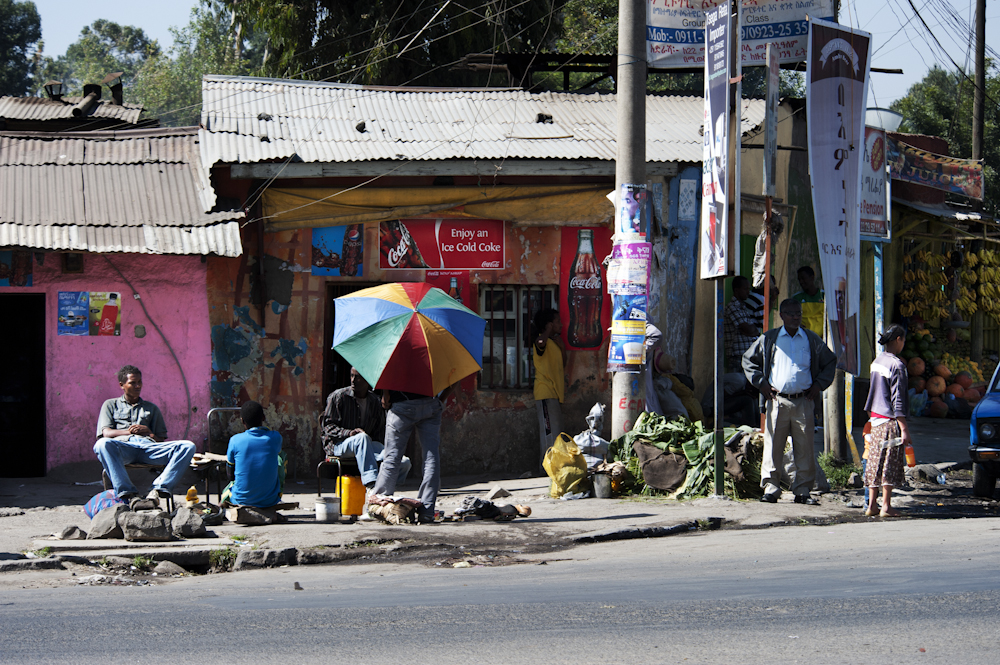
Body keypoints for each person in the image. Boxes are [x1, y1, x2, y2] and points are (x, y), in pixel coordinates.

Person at [742, 299, 837, 505]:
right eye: (791, 313)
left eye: (799, 313)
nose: (796, 317)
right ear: (782, 315)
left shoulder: (811, 339)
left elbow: (830, 361)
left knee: (805, 447)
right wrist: (762, 384)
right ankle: (771, 488)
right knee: (773, 445)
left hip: (804, 401)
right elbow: (748, 360)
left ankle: (802, 490)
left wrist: (819, 385)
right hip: (777, 401)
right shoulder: (769, 339)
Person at [93, 365, 196, 503]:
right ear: (122, 385)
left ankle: (158, 488)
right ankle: (127, 492)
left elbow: (161, 439)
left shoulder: (151, 408)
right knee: (101, 444)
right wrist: (128, 432)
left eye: (139, 382)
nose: (137, 386)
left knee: (188, 446)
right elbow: (106, 433)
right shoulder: (110, 405)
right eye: (132, 383)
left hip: (149, 449)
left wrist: (149, 433)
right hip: (124, 449)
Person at [372, 382, 457, 523]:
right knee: (431, 457)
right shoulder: (433, 359)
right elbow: (455, 378)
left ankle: (381, 504)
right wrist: (441, 401)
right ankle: (427, 511)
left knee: (392, 457)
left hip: (401, 404)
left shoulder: (398, 358)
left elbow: (387, 371)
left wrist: (385, 394)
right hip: (431, 403)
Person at [319, 367, 411, 489]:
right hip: (339, 445)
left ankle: (385, 489)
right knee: (361, 437)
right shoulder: (338, 397)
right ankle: (371, 484)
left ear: (368, 380)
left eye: (358, 377)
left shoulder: (375, 402)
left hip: (366, 444)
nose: (353, 380)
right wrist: (350, 433)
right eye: (351, 376)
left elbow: (379, 431)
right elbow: (328, 427)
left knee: (403, 462)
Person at [863, 324, 910, 517]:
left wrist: (870, 414)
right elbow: (897, 399)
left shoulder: (877, 362)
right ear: (898, 339)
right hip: (890, 421)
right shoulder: (897, 365)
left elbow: (871, 392)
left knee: (875, 461)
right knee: (889, 463)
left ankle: (871, 505)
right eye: (903, 340)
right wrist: (904, 428)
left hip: (875, 419)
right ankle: (886, 506)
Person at [225, 400, 283, 508]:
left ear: (242, 421)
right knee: (280, 458)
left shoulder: (235, 440)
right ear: (263, 418)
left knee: (228, 489)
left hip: (240, 500)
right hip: (270, 501)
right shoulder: (275, 437)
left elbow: (230, 474)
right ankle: (275, 494)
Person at [532, 308, 565, 467]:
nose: (562, 324)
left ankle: (552, 468)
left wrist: (562, 347)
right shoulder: (541, 340)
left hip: (555, 393)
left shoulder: (554, 342)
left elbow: (562, 365)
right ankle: (545, 468)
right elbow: (540, 343)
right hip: (545, 392)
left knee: (555, 433)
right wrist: (547, 331)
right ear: (550, 325)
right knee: (549, 434)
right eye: (558, 322)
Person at [724, 276, 760, 372]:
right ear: (736, 290)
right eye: (745, 289)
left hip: (748, 355)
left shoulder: (743, 308)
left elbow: (755, 331)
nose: (748, 292)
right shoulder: (732, 308)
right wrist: (751, 330)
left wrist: (752, 331)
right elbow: (748, 329)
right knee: (739, 383)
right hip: (737, 357)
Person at [792, 266, 825, 335]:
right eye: (799, 279)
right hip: (803, 338)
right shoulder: (796, 298)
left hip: (823, 339)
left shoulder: (824, 296)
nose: (801, 282)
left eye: (803, 278)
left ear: (812, 278)